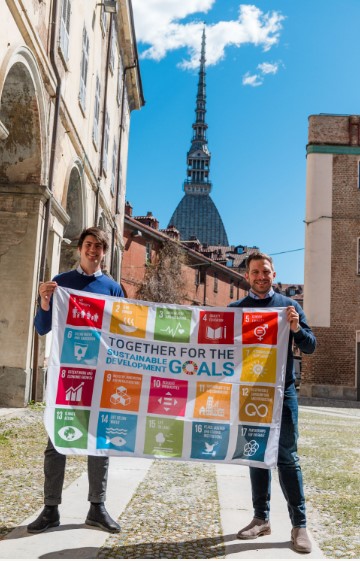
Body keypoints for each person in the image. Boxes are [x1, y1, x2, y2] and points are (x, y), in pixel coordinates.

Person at [27, 227, 124, 534]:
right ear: (80, 248)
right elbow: (42, 328)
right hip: (66, 375)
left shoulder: (113, 289)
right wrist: (44, 303)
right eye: (89, 244)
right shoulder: (61, 283)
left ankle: (97, 508)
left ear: (104, 252)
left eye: (99, 246)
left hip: (101, 377)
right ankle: (50, 508)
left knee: (99, 442)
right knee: (57, 440)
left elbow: (124, 333)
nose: (93, 250)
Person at [229, 252, 316, 554]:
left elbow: (311, 345)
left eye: (265, 271)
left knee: (287, 458)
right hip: (249, 394)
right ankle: (260, 518)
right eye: (255, 272)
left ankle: (299, 525)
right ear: (247, 276)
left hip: (284, 393)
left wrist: (295, 329)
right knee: (255, 455)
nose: (261, 276)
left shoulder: (289, 307)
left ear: (273, 273)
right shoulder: (235, 310)